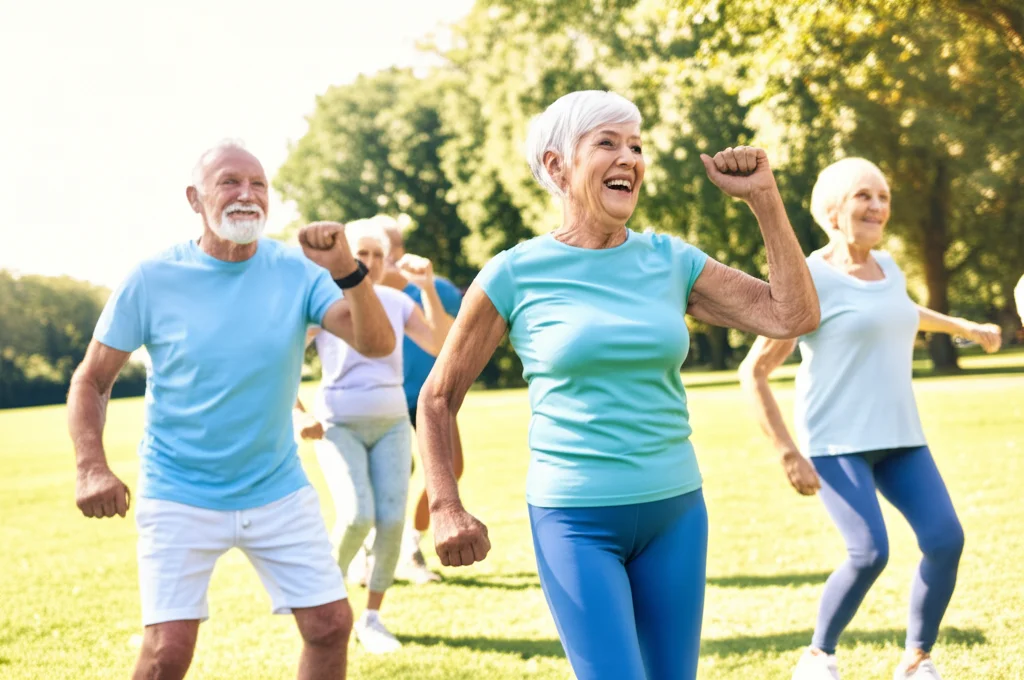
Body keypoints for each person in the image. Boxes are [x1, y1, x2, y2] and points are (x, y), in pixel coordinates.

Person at [413, 90, 821, 680]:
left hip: (676, 512)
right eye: (606, 143)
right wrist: (446, 504)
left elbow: (792, 316)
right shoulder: (514, 272)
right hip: (574, 519)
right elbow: (437, 397)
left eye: (635, 145)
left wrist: (765, 200)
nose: (628, 157)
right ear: (557, 167)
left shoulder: (671, 261)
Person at [67, 141, 395, 680]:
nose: (247, 195)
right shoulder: (152, 277)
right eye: (229, 182)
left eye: (258, 184)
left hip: (276, 487)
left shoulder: (298, 272)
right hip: (179, 489)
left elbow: (376, 344)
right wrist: (91, 466)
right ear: (195, 199)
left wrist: (346, 269)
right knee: (166, 652)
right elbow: (91, 379)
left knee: (331, 626)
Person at [738, 157, 1002, 680]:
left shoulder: (890, 268)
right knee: (869, 552)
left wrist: (966, 328)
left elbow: (900, 310)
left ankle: (917, 659)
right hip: (835, 442)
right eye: (864, 196)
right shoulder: (807, 276)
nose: (878, 206)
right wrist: (788, 451)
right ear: (833, 210)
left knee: (946, 540)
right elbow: (755, 371)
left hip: (900, 436)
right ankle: (818, 656)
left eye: (883, 197)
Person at [292, 218, 451, 653]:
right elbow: (280, 358)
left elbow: (440, 344)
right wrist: (297, 413)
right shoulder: (324, 303)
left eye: (378, 255)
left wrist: (429, 288)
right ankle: (318, 601)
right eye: (361, 253)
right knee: (357, 515)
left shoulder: (397, 301)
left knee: (392, 522)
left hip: (393, 424)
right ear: (345, 257)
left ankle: (372, 618)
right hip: (337, 425)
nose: (370, 262)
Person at [379, 219, 464, 583]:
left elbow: (454, 341)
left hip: (431, 397)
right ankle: (379, 550)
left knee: (450, 469)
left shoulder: (439, 289)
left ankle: (410, 545)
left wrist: (427, 289)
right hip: (385, 400)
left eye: (385, 252)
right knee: (394, 477)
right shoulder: (359, 296)